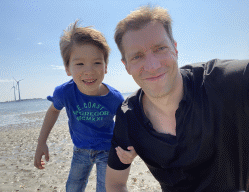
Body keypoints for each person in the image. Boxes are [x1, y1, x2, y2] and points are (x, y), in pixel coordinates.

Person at [106, 5, 249, 192]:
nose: (152, 65)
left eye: (160, 48)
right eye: (137, 56)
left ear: (175, 48)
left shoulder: (226, 82)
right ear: (126, 66)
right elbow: (115, 183)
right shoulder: (128, 116)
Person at [34, 20, 133, 192]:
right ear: (67, 68)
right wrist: (41, 142)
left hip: (107, 151)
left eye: (97, 62)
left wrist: (132, 149)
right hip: (80, 150)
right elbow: (53, 111)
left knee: (106, 189)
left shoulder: (115, 98)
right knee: (73, 187)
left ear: (106, 67)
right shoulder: (65, 92)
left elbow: (130, 120)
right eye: (79, 64)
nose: (89, 71)